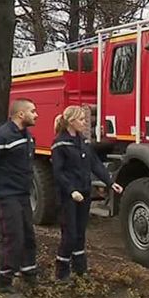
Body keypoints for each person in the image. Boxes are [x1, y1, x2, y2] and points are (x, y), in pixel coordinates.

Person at [51, 106, 123, 282]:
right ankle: (61, 272)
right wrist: (71, 190)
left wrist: (110, 182)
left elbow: (95, 164)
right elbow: (58, 173)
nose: (85, 123)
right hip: (69, 196)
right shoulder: (60, 144)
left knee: (80, 232)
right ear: (71, 122)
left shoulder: (84, 142)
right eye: (82, 120)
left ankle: (80, 269)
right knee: (70, 233)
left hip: (84, 193)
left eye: (85, 119)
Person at [0, 98, 39, 298]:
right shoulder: (2, 135)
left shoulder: (26, 135)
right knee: (14, 238)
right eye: (32, 111)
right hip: (6, 195)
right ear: (20, 114)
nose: (36, 114)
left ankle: (29, 274)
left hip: (22, 194)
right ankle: (4, 282)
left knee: (29, 236)